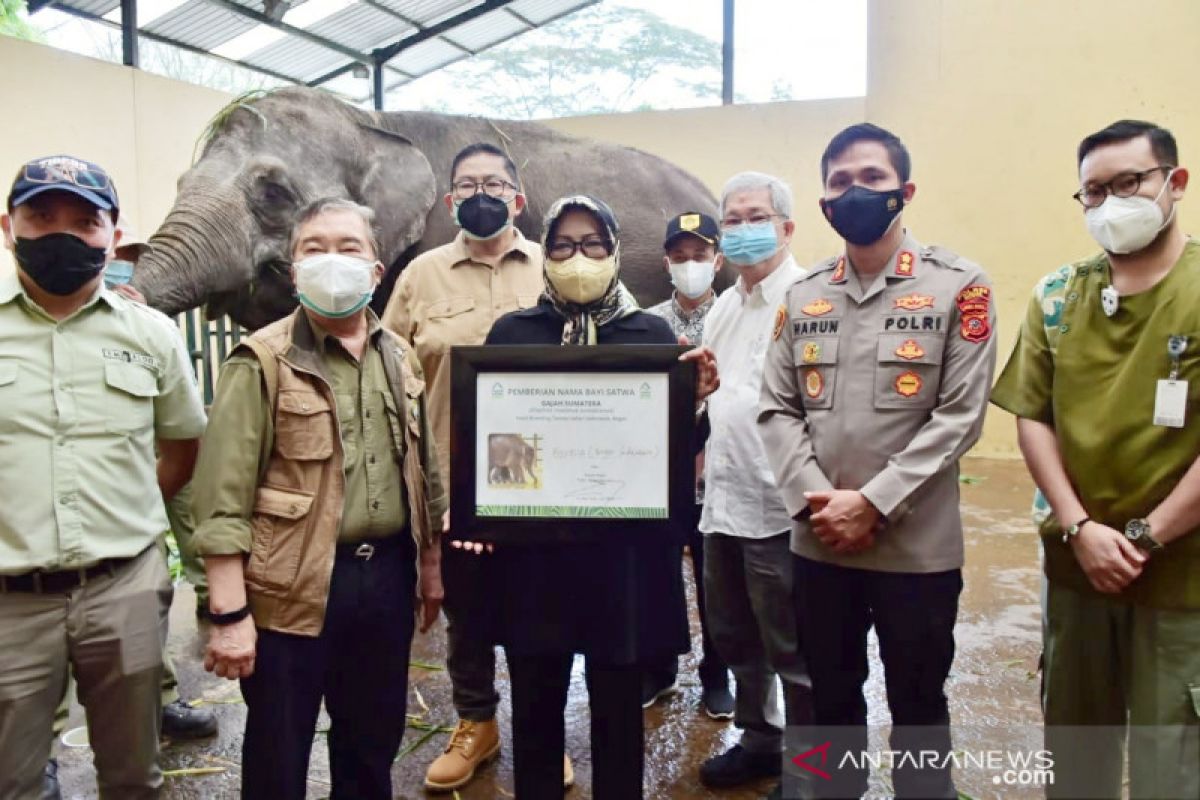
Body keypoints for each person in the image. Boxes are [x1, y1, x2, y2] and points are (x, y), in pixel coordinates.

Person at [759, 124, 997, 799]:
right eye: (839, 182)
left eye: (871, 179)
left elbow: (961, 415)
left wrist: (874, 501)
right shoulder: (803, 294)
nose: (854, 192)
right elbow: (776, 409)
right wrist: (817, 499)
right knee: (828, 701)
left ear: (905, 191)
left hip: (914, 551)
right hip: (819, 544)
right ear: (825, 199)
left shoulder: (961, 287)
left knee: (920, 705)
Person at [191, 197, 446, 800]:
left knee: (370, 748)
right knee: (279, 754)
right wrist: (229, 618)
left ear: (376, 270)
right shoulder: (261, 360)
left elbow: (424, 470)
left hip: (383, 582)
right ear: (293, 269)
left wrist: (430, 567)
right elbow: (222, 500)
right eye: (315, 248)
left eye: (348, 247)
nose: (332, 261)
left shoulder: (398, 355)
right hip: (290, 589)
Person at [479, 195, 719, 799]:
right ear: (544, 253)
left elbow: (672, 452)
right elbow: (502, 451)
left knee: (618, 710)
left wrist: (692, 400)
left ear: (613, 252)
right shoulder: (512, 334)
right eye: (562, 245)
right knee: (534, 705)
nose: (577, 257)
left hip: (624, 559)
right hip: (536, 557)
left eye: (592, 244)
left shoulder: (651, 335)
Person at [991, 119, 1200, 799]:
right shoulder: (1059, 296)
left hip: (1182, 577)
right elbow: (1034, 417)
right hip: (1078, 566)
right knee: (1078, 752)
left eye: (1129, 183)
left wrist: (1142, 537)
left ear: (1175, 182)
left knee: (1175, 761)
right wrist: (1081, 529)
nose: (1111, 202)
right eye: (1093, 192)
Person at [0, 155, 206, 799]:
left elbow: (180, 446)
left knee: (132, 775)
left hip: (123, 590)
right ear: (9, 226)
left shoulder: (152, 335)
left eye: (85, 221)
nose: (62, 233)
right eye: (42, 216)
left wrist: (132, 514)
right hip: (10, 600)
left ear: (113, 236)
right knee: (13, 777)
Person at [379, 142, 552, 791]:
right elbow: (390, 368)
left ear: (518, 198)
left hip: (541, 470)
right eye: (468, 185)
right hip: (451, 470)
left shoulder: (551, 266)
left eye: (495, 183)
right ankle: (476, 722)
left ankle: (541, 730)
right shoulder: (421, 275)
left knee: (540, 604)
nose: (482, 194)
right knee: (468, 609)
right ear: (451, 201)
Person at [693, 174, 812, 798]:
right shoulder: (724, 305)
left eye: (756, 216)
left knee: (797, 648)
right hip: (724, 501)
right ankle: (762, 741)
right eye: (732, 219)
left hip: (782, 507)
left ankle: (813, 771)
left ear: (787, 228)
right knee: (737, 634)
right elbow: (714, 397)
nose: (742, 229)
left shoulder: (812, 299)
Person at [643, 211, 734, 720]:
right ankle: (658, 670)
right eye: (680, 257)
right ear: (666, 263)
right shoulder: (649, 323)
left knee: (713, 578)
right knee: (659, 574)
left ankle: (716, 673)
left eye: (700, 256)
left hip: (718, 472)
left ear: (717, 261)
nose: (690, 265)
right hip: (662, 475)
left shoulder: (734, 318)